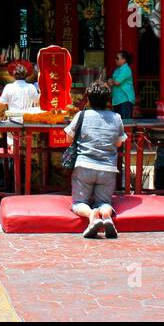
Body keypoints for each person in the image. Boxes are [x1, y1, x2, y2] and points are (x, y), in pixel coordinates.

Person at [64, 81, 127, 239]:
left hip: (84, 166)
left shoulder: (82, 115)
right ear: (108, 100)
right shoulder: (117, 118)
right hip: (108, 169)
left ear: (89, 99)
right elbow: (119, 142)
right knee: (104, 203)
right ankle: (106, 217)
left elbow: (67, 139)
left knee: (78, 203)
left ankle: (92, 216)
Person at [110, 50, 135, 122]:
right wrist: (111, 81)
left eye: (117, 58)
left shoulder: (126, 69)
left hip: (125, 99)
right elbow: (112, 81)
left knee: (126, 123)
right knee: (118, 123)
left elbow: (117, 82)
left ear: (124, 60)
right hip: (117, 100)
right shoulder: (117, 70)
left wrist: (111, 81)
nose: (115, 60)